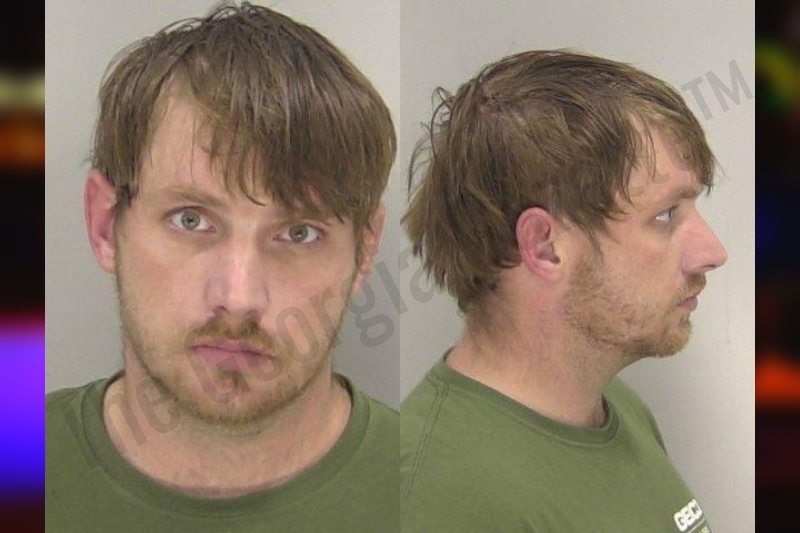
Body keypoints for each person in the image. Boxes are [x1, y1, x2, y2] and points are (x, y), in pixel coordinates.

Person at [46, 4, 397, 531]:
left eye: (299, 233)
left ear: (364, 251)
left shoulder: (436, 490)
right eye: (190, 220)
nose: (239, 297)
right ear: (104, 226)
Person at [400, 50, 726, 532]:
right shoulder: (445, 498)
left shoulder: (618, 409)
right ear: (545, 247)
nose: (713, 252)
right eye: (665, 215)